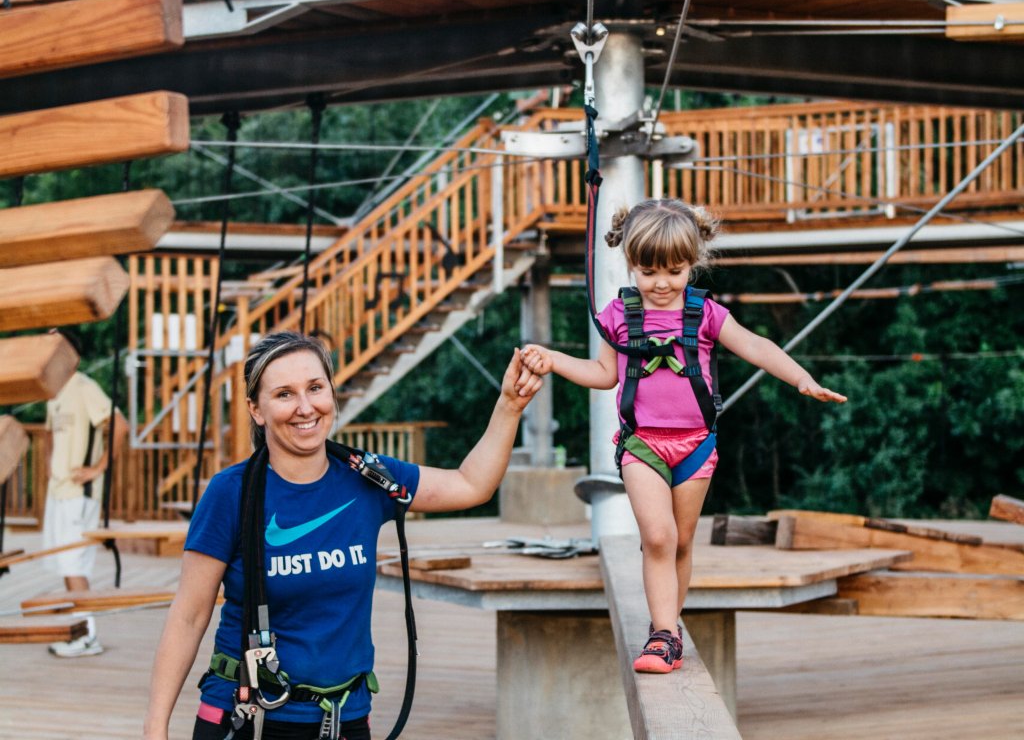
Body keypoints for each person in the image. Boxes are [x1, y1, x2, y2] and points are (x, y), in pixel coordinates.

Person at [144, 331, 541, 740]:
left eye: (315, 388)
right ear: (256, 409)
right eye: (284, 394)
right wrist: (155, 729)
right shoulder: (232, 492)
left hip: (345, 719)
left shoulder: (367, 476)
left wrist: (509, 406)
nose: (304, 407)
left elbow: (470, 484)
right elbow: (189, 616)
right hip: (250, 717)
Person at [516, 198, 846, 674]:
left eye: (673, 271)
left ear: (692, 264)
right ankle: (663, 636)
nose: (662, 283)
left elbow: (755, 345)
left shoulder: (705, 313)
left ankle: (670, 621)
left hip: (696, 446)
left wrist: (799, 378)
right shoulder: (619, 314)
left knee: (683, 542)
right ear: (631, 265)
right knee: (658, 536)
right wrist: (554, 360)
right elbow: (604, 373)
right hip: (641, 445)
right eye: (649, 272)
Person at [42, 329, 128, 658]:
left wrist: (98, 467)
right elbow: (50, 434)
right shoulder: (54, 391)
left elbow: (118, 424)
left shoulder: (83, 387)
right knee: (66, 566)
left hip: (81, 492)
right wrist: (50, 463)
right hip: (60, 491)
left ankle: (87, 634)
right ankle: (76, 631)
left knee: (75, 565)